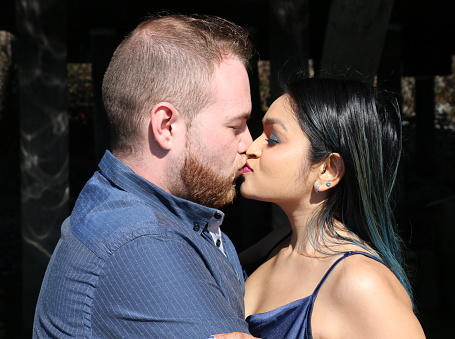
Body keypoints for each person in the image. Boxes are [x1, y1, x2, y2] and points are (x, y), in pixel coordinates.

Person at [33, 14, 255, 338]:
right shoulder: (141, 241)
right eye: (235, 125)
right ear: (166, 126)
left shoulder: (147, 215)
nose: (248, 143)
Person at [213, 77, 425, 339]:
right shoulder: (277, 244)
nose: (252, 147)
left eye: (273, 139)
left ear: (328, 170)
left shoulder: (361, 282)